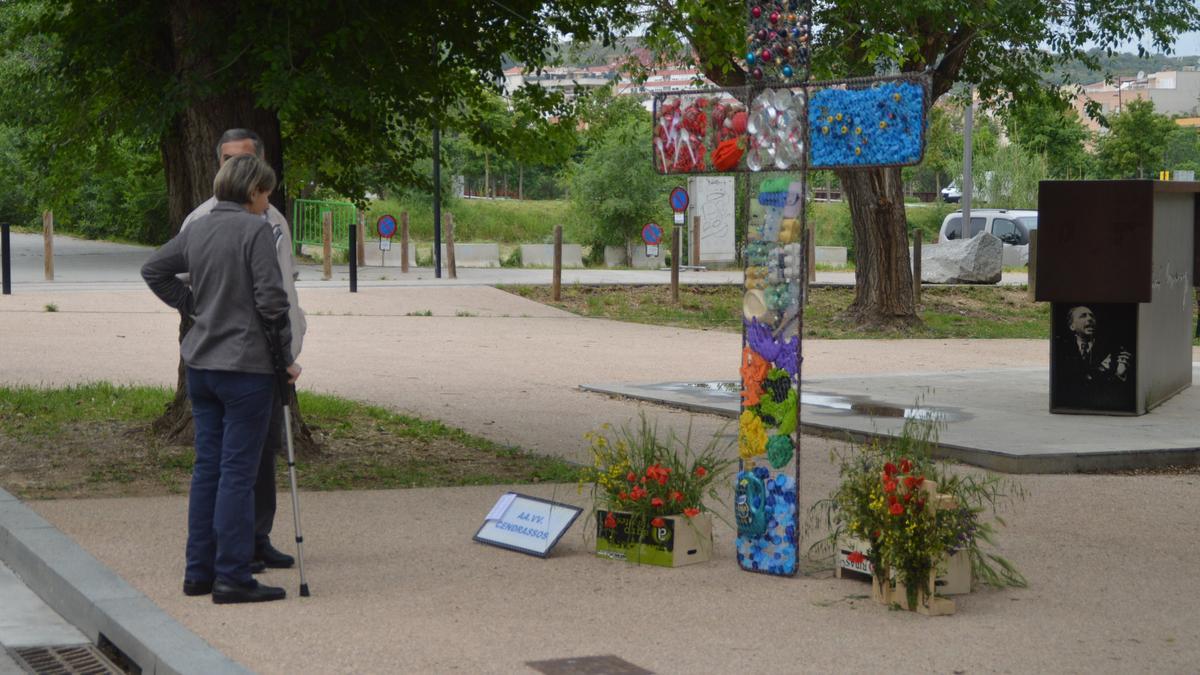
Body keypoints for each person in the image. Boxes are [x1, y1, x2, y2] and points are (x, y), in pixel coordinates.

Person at [142, 154, 298, 604]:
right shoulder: (255, 230)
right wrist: (284, 359)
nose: (268, 200)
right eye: (266, 192)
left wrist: (192, 305)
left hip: (202, 366)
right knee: (238, 473)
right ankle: (232, 576)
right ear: (252, 192)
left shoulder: (198, 228)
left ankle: (199, 571)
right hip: (245, 368)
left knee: (207, 469)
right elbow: (272, 302)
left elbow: (154, 269)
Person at [182, 129, 306, 571]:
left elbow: (285, 289)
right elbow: (173, 275)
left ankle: (250, 539)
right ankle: (226, 557)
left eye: (245, 160)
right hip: (241, 358)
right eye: (229, 160)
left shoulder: (275, 218)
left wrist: (291, 338)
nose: (236, 167)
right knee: (229, 465)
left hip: (254, 357)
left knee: (258, 453)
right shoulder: (203, 220)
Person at [1055, 304, 1134, 410]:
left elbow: (1118, 387)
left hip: (1102, 404)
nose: (1090, 319)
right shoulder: (1062, 349)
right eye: (1083, 316)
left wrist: (1120, 375)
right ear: (1072, 326)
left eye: (1092, 316)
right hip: (1071, 405)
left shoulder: (1113, 349)